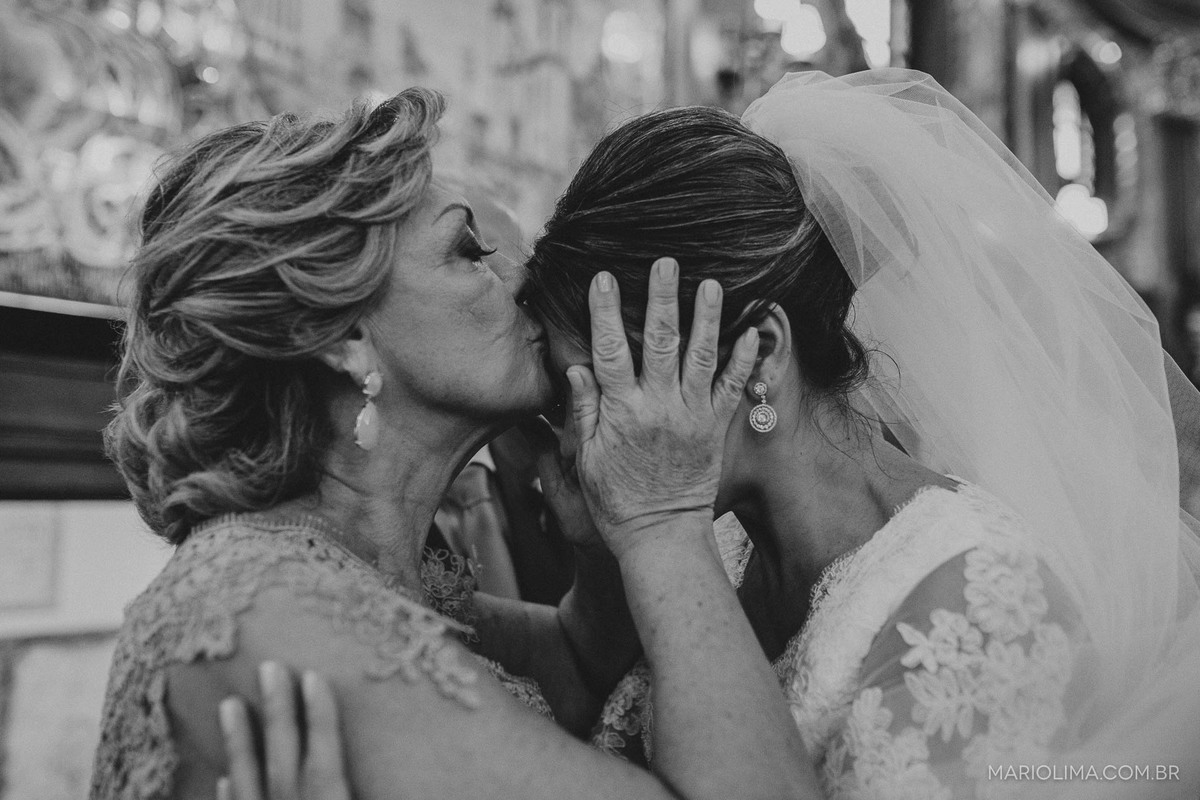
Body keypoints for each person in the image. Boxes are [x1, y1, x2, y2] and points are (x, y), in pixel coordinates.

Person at [225, 70, 1200, 799]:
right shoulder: (712, 535)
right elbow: (569, 686)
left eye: (605, 381)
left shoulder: (987, 613)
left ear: (761, 356)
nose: (580, 433)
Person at [88, 87, 820, 799]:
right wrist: (664, 518)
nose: (522, 273)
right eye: (468, 249)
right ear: (343, 337)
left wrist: (603, 533)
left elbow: (574, 668)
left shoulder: (366, 576)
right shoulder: (281, 616)